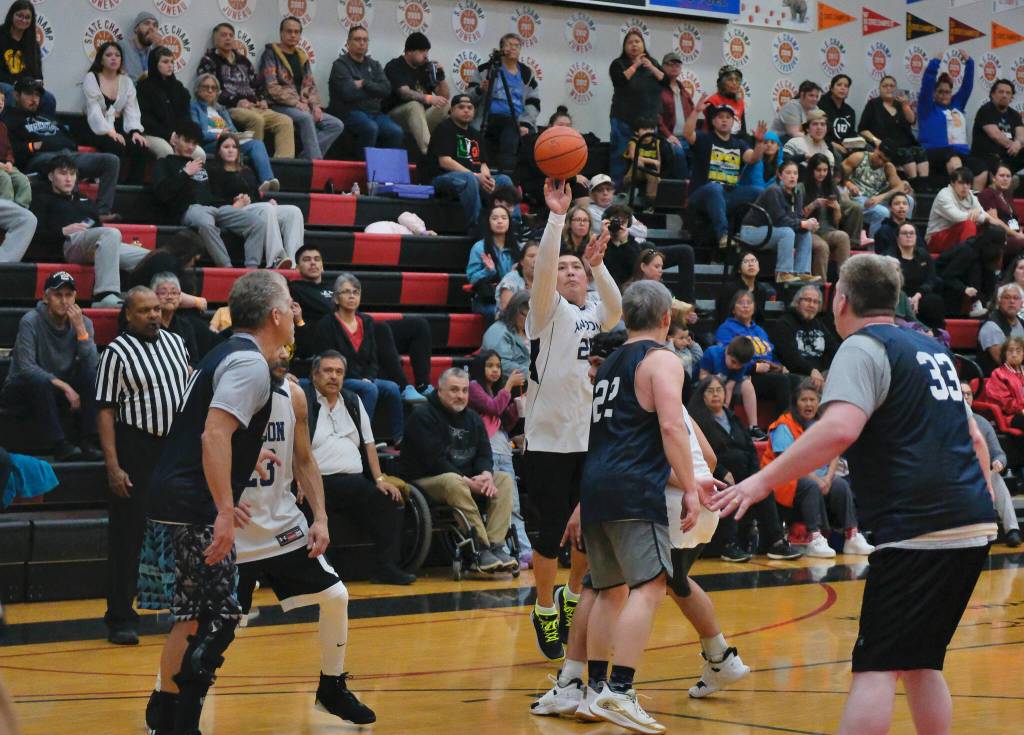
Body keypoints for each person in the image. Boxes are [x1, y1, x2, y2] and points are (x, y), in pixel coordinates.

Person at [712, 253, 998, 735]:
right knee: (922, 662)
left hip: (918, 530)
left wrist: (761, 479)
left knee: (875, 667)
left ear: (839, 300)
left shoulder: (862, 348)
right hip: (972, 521)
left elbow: (839, 428)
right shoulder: (931, 347)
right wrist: (978, 503)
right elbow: (972, 437)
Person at [531, 364, 752, 722]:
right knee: (672, 581)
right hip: (697, 499)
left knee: (606, 587)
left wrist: (585, 504)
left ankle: (598, 686)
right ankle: (721, 658)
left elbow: (634, 461)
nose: (590, 375)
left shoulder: (626, 400)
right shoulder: (661, 391)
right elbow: (708, 458)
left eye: (593, 367)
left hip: (672, 500)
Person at [138, 270, 294, 735]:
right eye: (289, 304)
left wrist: (242, 464)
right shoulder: (250, 364)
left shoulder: (223, 353)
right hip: (193, 503)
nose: (294, 313)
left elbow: (209, 431)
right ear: (274, 314)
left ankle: (163, 718)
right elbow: (213, 433)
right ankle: (178, 724)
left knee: (194, 620)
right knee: (212, 620)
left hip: (177, 493)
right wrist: (224, 508)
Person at [578, 280, 707, 734]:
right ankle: (621, 690)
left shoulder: (609, 362)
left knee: (609, 590)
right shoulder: (662, 360)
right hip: (634, 487)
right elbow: (673, 427)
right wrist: (691, 488)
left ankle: (594, 692)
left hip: (595, 485)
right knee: (651, 586)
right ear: (666, 319)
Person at [232, 348, 378, 725]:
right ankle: (170, 699)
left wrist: (321, 517)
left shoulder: (293, 396)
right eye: (277, 345)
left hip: (282, 522)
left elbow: (304, 460)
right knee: (213, 626)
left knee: (335, 596)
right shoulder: (227, 391)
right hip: (235, 528)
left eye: (289, 346)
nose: (284, 352)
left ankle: (331, 687)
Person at [524, 179, 621, 661]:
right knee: (547, 535)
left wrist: (599, 268)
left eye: (574, 267)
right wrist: (558, 219)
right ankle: (543, 605)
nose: (567, 272)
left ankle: (573, 595)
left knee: (586, 532)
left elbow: (617, 308)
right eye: (561, 267)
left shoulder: (595, 312)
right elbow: (543, 271)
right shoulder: (545, 312)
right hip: (546, 440)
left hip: (591, 440)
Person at [95, 286, 190, 646]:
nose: (153, 315)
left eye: (155, 309)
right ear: (129, 315)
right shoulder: (116, 353)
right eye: (144, 310)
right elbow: (104, 410)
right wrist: (113, 465)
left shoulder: (176, 343)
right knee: (128, 535)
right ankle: (120, 616)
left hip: (175, 450)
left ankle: (184, 607)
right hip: (136, 447)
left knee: (182, 533)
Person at [306, 350, 413, 586]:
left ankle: (386, 567)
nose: (333, 376)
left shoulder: (353, 401)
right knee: (309, 510)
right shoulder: (304, 401)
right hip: (317, 482)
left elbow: (369, 443)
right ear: (314, 375)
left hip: (354, 482)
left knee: (389, 500)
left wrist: (379, 478)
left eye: (339, 372)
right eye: (328, 371)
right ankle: (323, 574)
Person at [400, 367, 517, 573]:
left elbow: (484, 453)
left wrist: (486, 476)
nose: (460, 396)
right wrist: (469, 482)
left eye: (464, 391)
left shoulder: (472, 418)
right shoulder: (422, 416)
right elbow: (435, 460)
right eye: (454, 390)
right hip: (427, 480)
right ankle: (480, 547)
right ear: (440, 391)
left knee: (504, 479)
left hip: (465, 478)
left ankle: (496, 545)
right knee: (452, 480)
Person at [289, 245, 434, 398]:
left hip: (355, 327)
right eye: (306, 260)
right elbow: (300, 327)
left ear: (323, 266)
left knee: (418, 325)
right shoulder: (296, 289)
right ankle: (404, 387)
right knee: (381, 329)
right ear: (297, 267)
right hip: (330, 337)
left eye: (317, 259)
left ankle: (423, 385)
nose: (313, 263)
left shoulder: (335, 285)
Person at [687, 373, 800, 561]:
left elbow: (749, 447)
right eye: (710, 391)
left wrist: (756, 474)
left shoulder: (732, 417)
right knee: (726, 488)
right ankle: (728, 545)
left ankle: (775, 542)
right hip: (717, 475)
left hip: (744, 473)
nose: (716, 395)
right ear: (702, 395)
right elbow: (698, 454)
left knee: (764, 489)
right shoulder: (697, 421)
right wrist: (722, 472)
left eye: (719, 390)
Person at [761, 380, 874, 557]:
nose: (808, 404)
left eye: (812, 400)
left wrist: (828, 477)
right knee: (810, 485)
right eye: (804, 400)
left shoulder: (822, 423)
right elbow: (788, 463)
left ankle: (852, 535)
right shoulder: (784, 424)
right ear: (795, 403)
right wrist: (817, 480)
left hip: (820, 478)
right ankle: (814, 537)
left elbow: (834, 452)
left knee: (840, 484)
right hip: (785, 480)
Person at [0, 270, 100, 461]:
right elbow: (26, 368)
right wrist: (65, 386)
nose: (64, 301)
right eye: (57, 295)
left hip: (56, 388)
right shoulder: (31, 320)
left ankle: (89, 440)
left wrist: (80, 331)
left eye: (69, 295)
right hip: (21, 388)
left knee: (90, 374)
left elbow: (92, 363)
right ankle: (60, 444)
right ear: (46, 298)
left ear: (76, 297)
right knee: (39, 381)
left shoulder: (83, 322)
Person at [30, 154, 149, 307]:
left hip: (94, 245)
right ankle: (104, 295)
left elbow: (97, 226)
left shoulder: (85, 200)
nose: (68, 179)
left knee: (150, 257)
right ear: (51, 176)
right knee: (111, 232)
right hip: (67, 245)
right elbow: (35, 235)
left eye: (72, 174)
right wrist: (62, 231)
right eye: (63, 173)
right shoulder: (41, 199)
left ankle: (140, 295)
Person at [152, 121, 273, 269]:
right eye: (186, 141)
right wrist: (185, 173)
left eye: (194, 143)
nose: (190, 147)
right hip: (189, 209)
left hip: (216, 207)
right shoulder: (164, 163)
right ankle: (227, 268)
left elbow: (215, 192)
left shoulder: (203, 166)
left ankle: (251, 269)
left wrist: (234, 201)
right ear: (175, 139)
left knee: (258, 223)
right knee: (206, 223)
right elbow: (162, 193)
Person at [312, 273, 406, 444]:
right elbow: (328, 360)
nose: (352, 296)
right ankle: (362, 440)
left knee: (392, 387)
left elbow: (373, 359)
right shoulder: (327, 324)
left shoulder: (367, 322)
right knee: (370, 390)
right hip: (341, 378)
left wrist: (369, 378)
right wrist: (361, 380)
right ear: (336, 298)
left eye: (356, 292)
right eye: (346, 292)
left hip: (365, 379)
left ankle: (400, 439)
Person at [7, 78, 120, 217]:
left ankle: (102, 212)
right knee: (64, 163)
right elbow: (10, 150)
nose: (34, 99)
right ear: (16, 95)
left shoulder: (47, 116)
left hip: (68, 154)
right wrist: (33, 146)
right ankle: (76, 213)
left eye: (37, 95)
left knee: (111, 160)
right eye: (29, 94)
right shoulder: (8, 119)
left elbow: (68, 138)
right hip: (40, 159)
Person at [467, 350, 532, 566]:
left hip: (504, 450)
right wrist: (508, 386)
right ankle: (501, 548)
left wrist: (517, 407)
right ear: (480, 367)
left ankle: (523, 550)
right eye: (489, 365)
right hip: (487, 453)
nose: (495, 370)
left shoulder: (497, 391)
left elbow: (505, 422)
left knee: (512, 504)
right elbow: (492, 408)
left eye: (497, 365)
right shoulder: (474, 387)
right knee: (495, 503)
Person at [196, 22, 295, 158]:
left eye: (231, 35)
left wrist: (262, 100)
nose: (228, 38)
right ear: (215, 39)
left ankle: (283, 166)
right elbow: (210, 90)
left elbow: (257, 84)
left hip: (254, 105)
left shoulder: (243, 60)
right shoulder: (209, 61)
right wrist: (237, 101)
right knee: (256, 119)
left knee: (285, 121)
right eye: (224, 35)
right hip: (228, 108)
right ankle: (255, 162)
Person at [684, 94, 768, 251]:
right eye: (720, 117)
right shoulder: (704, 138)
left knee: (758, 192)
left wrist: (759, 142)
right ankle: (723, 235)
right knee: (714, 187)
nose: (724, 120)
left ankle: (748, 236)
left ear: (734, 121)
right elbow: (688, 134)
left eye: (728, 117)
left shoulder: (739, 143)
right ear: (713, 121)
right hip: (702, 193)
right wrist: (695, 112)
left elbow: (753, 158)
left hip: (728, 194)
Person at [418, 94, 513, 233]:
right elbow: (445, 161)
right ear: (451, 110)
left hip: (472, 179)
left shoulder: (476, 134)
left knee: (504, 180)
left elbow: (483, 163)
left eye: (470, 107)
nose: (466, 110)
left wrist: (486, 177)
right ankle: (477, 226)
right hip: (442, 178)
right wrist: (475, 176)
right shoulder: (444, 128)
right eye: (461, 107)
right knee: (469, 179)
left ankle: (514, 225)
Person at [207, 133, 303, 268]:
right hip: (234, 212)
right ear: (218, 151)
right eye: (226, 147)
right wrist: (234, 204)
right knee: (266, 209)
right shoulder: (214, 172)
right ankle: (276, 258)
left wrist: (268, 201)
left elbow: (255, 196)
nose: (230, 150)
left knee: (293, 211)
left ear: (238, 151)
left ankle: (295, 262)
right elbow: (213, 200)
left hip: (255, 208)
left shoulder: (247, 171)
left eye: (234, 147)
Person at [260, 16, 344, 160]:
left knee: (336, 124)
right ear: (281, 33)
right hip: (278, 105)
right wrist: (296, 103)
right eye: (289, 31)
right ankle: (316, 164)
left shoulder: (302, 56)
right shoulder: (270, 54)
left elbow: (310, 85)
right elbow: (272, 88)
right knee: (306, 118)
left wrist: (316, 106)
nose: (293, 35)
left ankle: (304, 159)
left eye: (296, 32)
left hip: (302, 105)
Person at [716, 290, 799, 430]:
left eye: (749, 303)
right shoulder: (726, 328)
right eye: (741, 303)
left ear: (754, 308)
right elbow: (729, 360)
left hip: (767, 373)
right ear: (733, 309)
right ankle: (781, 429)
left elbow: (771, 354)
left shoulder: (760, 330)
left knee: (796, 380)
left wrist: (779, 366)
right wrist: (753, 367)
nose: (745, 306)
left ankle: (797, 426)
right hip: (744, 376)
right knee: (782, 382)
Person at [191, 74, 278, 192]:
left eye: (214, 88)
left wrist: (239, 136)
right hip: (210, 144)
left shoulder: (221, 109)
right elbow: (198, 134)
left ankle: (267, 181)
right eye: (206, 87)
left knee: (256, 143)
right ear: (198, 89)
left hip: (228, 141)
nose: (210, 90)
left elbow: (233, 130)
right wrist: (219, 135)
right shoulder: (193, 107)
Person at [960, 380, 1022, 546]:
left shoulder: (982, 423)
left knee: (995, 478)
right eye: (961, 394)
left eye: (968, 394)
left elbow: (999, 453)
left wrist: (998, 462)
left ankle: (1012, 530)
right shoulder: (946, 422)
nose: (965, 397)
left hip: (981, 474)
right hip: (956, 474)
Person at [467, 33, 540, 172]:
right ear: (501, 49)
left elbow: (533, 102)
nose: (513, 48)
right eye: (509, 45)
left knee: (512, 125)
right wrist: (480, 89)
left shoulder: (526, 73)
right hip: (488, 117)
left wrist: (525, 123)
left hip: (516, 120)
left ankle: (507, 173)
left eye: (516, 46)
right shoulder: (486, 69)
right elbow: (468, 98)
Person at [738, 159, 819, 285]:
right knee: (787, 232)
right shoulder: (773, 191)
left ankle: (801, 272)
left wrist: (809, 223)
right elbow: (780, 220)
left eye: (795, 173)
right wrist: (803, 224)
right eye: (788, 173)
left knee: (805, 234)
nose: (792, 176)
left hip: (773, 231)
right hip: (752, 231)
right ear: (780, 175)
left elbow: (796, 218)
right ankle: (783, 273)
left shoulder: (797, 193)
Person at [328, 26, 403, 158]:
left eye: (365, 40)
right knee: (370, 128)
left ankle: (385, 173)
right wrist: (374, 90)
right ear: (348, 43)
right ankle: (363, 172)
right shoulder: (340, 65)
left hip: (374, 113)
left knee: (396, 132)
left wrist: (364, 83)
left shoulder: (374, 65)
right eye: (357, 39)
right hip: (349, 112)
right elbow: (347, 93)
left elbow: (386, 90)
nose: (362, 43)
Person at [82, 42, 149, 185]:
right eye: (109, 55)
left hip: (118, 127)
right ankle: (114, 186)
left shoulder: (127, 81)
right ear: (101, 59)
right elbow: (94, 111)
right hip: (96, 127)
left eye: (117, 55)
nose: (114, 58)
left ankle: (132, 187)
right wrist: (109, 131)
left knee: (140, 145)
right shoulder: (92, 77)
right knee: (116, 145)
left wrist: (135, 131)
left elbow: (132, 109)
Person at [601, 203, 695, 302]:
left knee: (650, 247)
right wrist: (605, 236)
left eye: (623, 222)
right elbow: (608, 265)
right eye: (615, 221)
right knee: (648, 247)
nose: (619, 226)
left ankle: (688, 304)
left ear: (628, 224)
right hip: (617, 287)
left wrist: (624, 242)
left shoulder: (630, 241)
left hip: (635, 279)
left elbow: (638, 266)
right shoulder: (601, 241)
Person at [919, 58, 986, 189]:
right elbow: (927, 84)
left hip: (960, 152)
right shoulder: (927, 107)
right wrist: (934, 64)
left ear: (951, 93)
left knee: (981, 169)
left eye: (947, 92)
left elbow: (967, 87)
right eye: (940, 92)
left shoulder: (957, 105)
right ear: (934, 93)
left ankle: (972, 202)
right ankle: (958, 203)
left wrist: (970, 62)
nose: (944, 95)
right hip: (934, 152)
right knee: (954, 161)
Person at [608, 31, 664, 185]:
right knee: (620, 156)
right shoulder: (618, 63)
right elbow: (620, 81)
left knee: (650, 161)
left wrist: (651, 67)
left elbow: (665, 81)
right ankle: (617, 196)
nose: (634, 45)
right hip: (623, 120)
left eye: (637, 41)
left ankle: (647, 198)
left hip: (648, 124)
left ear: (643, 45)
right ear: (625, 46)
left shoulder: (653, 63)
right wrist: (636, 65)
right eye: (630, 42)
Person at [383, 32, 449, 157]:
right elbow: (404, 93)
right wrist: (428, 98)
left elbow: (444, 96)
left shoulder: (425, 68)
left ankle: (449, 153)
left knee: (446, 105)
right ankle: (430, 155)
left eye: (427, 52)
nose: (426, 56)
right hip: (397, 115)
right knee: (414, 105)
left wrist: (441, 77)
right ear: (409, 51)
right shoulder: (395, 65)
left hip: (420, 117)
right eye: (422, 51)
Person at [136, 47, 202, 162]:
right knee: (166, 152)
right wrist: (168, 134)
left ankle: (192, 180)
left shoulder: (179, 87)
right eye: (165, 62)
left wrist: (180, 136)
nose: (170, 65)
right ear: (155, 64)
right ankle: (167, 180)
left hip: (178, 135)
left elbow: (185, 116)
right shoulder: (143, 87)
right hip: (152, 133)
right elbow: (145, 119)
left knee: (199, 154)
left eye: (172, 62)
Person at [798, 153, 857, 280]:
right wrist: (814, 204)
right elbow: (798, 216)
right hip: (808, 231)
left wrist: (837, 209)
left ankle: (844, 280)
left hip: (827, 230)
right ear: (812, 170)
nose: (822, 173)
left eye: (825, 170)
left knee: (843, 236)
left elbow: (836, 222)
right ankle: (821, 286)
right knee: (822, 247)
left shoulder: (831, 187)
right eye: (818, 170)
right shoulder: (801, 187)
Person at [859, 75, 927, 183]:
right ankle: (914, 186)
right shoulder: (873, 105)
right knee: (906, 155)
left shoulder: (901, 104)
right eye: (885, 86)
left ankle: (925, 186)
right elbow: (862, 129)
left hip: (906, 144)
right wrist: (875, 140)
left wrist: (905, 106)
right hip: (886, 145)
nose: (888, 88)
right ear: (880, 89)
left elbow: (912, 120)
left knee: (921, 152)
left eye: (892, 86)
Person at [769, 285, 838, 389]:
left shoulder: (819, 324)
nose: (811, 305)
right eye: (807, 300)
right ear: (797, 302)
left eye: (816, 302)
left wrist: (825, 372)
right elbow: (790, 356)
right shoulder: (784, 323)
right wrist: (811, 370)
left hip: (819, 374)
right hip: (797, 374)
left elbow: (833, 349)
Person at [840, 142, 913, 237]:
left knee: (908, 200)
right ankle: (874, 246)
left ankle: (904, 233)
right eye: (879, 157)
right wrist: (849, 185)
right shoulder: (858, 157)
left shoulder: (888, 167)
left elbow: (899, 188)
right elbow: (837, 176)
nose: (880, 162)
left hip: (875, 199)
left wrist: (880, 197)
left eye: (884, 160)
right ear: (876, 149)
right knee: (882, 212)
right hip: (856, 198)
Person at [935, 226, 1004, 318]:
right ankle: (976, 304)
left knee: (988, 271)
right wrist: (964, 288)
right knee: (975, 268)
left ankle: (986, 303)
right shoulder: (966, 251)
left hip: (964, 285)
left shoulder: (982, 253)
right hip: (943, 286)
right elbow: (948, 276)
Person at [0, 2, 55, 115]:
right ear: (11, 15)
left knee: (48, 99)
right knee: (10, 92)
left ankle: (40, 129)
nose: (23, 20)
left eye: (27, 17)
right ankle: (8, 130)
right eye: (19, 15)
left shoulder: (33, 44)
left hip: (24, 87)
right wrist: (15, 85)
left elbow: (37, 75)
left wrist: (36, 85)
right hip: (3, 84)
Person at [699, 336, 759, 438]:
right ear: (727, 351)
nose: (736, 367)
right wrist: (715, 383)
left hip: (725, 387)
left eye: (740, 365)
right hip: (704, 385)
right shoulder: (712, 353)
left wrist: (724, 408)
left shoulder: (741, 365)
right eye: (733, 362)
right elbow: (702, 376)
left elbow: (730, 387)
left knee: (747, 384)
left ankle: (753, 427)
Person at [890, 222, 946, 330]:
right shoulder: (890, 256)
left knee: (935, 301)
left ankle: (936, 335)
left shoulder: (923, 255)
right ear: (897, 237)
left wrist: (918, 295)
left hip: (920, 295)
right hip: (898, 296)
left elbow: (931, 279)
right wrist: (907, 300)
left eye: (912, 233)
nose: (908, 236)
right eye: (904, 233)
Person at [466, 204, 515, 320]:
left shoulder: (517, 247)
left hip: (514, 298)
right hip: (488, 300)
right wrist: (488, 271)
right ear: (488, 222)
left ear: (509, 222)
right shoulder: (479, 248)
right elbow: (472, 279)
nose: (499, 221)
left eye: (504, 218)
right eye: (495, 218)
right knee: (504, 314)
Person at [926, 167, 988, 253]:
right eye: (961, 183)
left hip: (955, 236)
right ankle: (966, 258)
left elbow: (985, 217)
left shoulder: (971, 196)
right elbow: (957, 217)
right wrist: (976, 214)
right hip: (935, 239)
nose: (965, 187)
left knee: (988, 228)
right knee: (969, 224)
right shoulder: (944, 194)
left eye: (968, 183)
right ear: (952, 183)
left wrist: (978, 213)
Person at [971, 79, 1024, 178]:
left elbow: (1021, 136)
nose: (1004, 95)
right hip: (986, 156)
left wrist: (1018, 144)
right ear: (992, 94)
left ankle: (1009, 175)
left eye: (1008, 93)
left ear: (1011, 97)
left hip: (1007, 156)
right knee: (1000, 168)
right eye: (1001, 92)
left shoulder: (1015, 114)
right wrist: (1013, 146)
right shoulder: (986, 110)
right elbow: (995, 135)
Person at [658, 52, 693, 180]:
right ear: (662, 67)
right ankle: (683, 189)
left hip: (687, 137)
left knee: (703, 152)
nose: (674, 67)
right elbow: (657, 118)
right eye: (670, 64)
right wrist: (668, 135)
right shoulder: (658, 89)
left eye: (677, 64)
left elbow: (692, 115)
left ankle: (695, 188)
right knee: (678, 153)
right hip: (666, 138)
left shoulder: (684, 91)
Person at [151, 272, 200, 363]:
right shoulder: (148, 324)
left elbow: (194, 360)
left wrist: (190, 367)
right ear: (153, 295)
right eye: (163, 292)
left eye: (174, 293)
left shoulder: (185, 325)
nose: (169, 297)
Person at [714, 251, 775, 324]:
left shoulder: (761, 290)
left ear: (758, 267)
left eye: (753, 261)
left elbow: (759, 319)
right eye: (746, 262)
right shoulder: (730, 288)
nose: (751, 264)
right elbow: (724, 316)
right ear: (739, 269)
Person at [481, 290, 530, 379]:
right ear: (513, 311)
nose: (528, 320)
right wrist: (534, 374)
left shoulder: (529, 331)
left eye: (531, 316)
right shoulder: (498, 332)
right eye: (524, 315)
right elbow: (502, 364)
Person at [586, 175, 648, 242]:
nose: (605, 193)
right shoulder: (589, 212)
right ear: (592, 194)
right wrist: (631, 225)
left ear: (613, 192)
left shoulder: (621, 209)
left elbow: (643, 232)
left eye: (608, 189)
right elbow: (610, 230)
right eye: (600, 190)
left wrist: (617, 226)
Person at [978, 163, 1024, 254]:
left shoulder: (1006, 195)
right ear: (993, 178)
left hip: (1015, 234)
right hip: (999, 238)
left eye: (1008, 176)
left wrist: (1020, 231)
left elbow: (1012, 219)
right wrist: (1017, 235)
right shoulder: (987, 194)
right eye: (1002, 175)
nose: (1005, 179)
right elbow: (995, 221)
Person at [979, 283, 1024, 372]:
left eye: (1016, 298)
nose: (1012, 301)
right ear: (999, 302)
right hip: (997, 380)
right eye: (1007, 297)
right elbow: (1005, 363)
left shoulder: (1022, 323)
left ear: (1022, 303)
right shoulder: (991, 327)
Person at [622, 117, 662, 208]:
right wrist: (652, 161)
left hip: (650, 170)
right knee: (638, 162)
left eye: (651, 129)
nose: (648, 131)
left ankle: (649, 204)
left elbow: (658, 160)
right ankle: (624, 189)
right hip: (636, 170)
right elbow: (633, 156)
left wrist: (658, 174)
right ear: (636, 132)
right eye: (645, 129)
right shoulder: (634, 141)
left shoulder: (657, 142)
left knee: (654, 177)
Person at [819, 74, 857, 158]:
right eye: (839, 85)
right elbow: (817, 131)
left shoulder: (850, 111)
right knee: (836, 155)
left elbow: (851, 134)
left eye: (846, 86)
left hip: (845, 146)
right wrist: (834, 145)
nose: (843, 88)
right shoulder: (821, 106)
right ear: (831, 88)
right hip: (826, 144)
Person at [704, 65, 747, 136]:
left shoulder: (740, 102)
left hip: (736, 142)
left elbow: (743, 131)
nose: (734, 83)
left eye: (737, 80)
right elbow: (712, 131)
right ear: (721, 83)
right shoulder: (713, 101)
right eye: (730, 79)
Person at [496, 241, 537, 314]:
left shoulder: (548, 281)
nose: (536, 260)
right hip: (510, 323)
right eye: (531, 256)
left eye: (541, 256)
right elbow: (508, 309)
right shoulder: (511, 278)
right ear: (521, 261)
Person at [121, 11, 161, 80]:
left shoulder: (154, 54)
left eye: (155, 25)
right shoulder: (122, 46)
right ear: (136, 28)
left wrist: (159, 48)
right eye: (147, 23)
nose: (151, 28)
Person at [872, 192, 914, 256]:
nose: (901, 206)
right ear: (890, 208)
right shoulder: (883, 231)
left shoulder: (913, 229)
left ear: (909, 207)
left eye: (904, 204)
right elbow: (882, 256)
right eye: (897, 204)